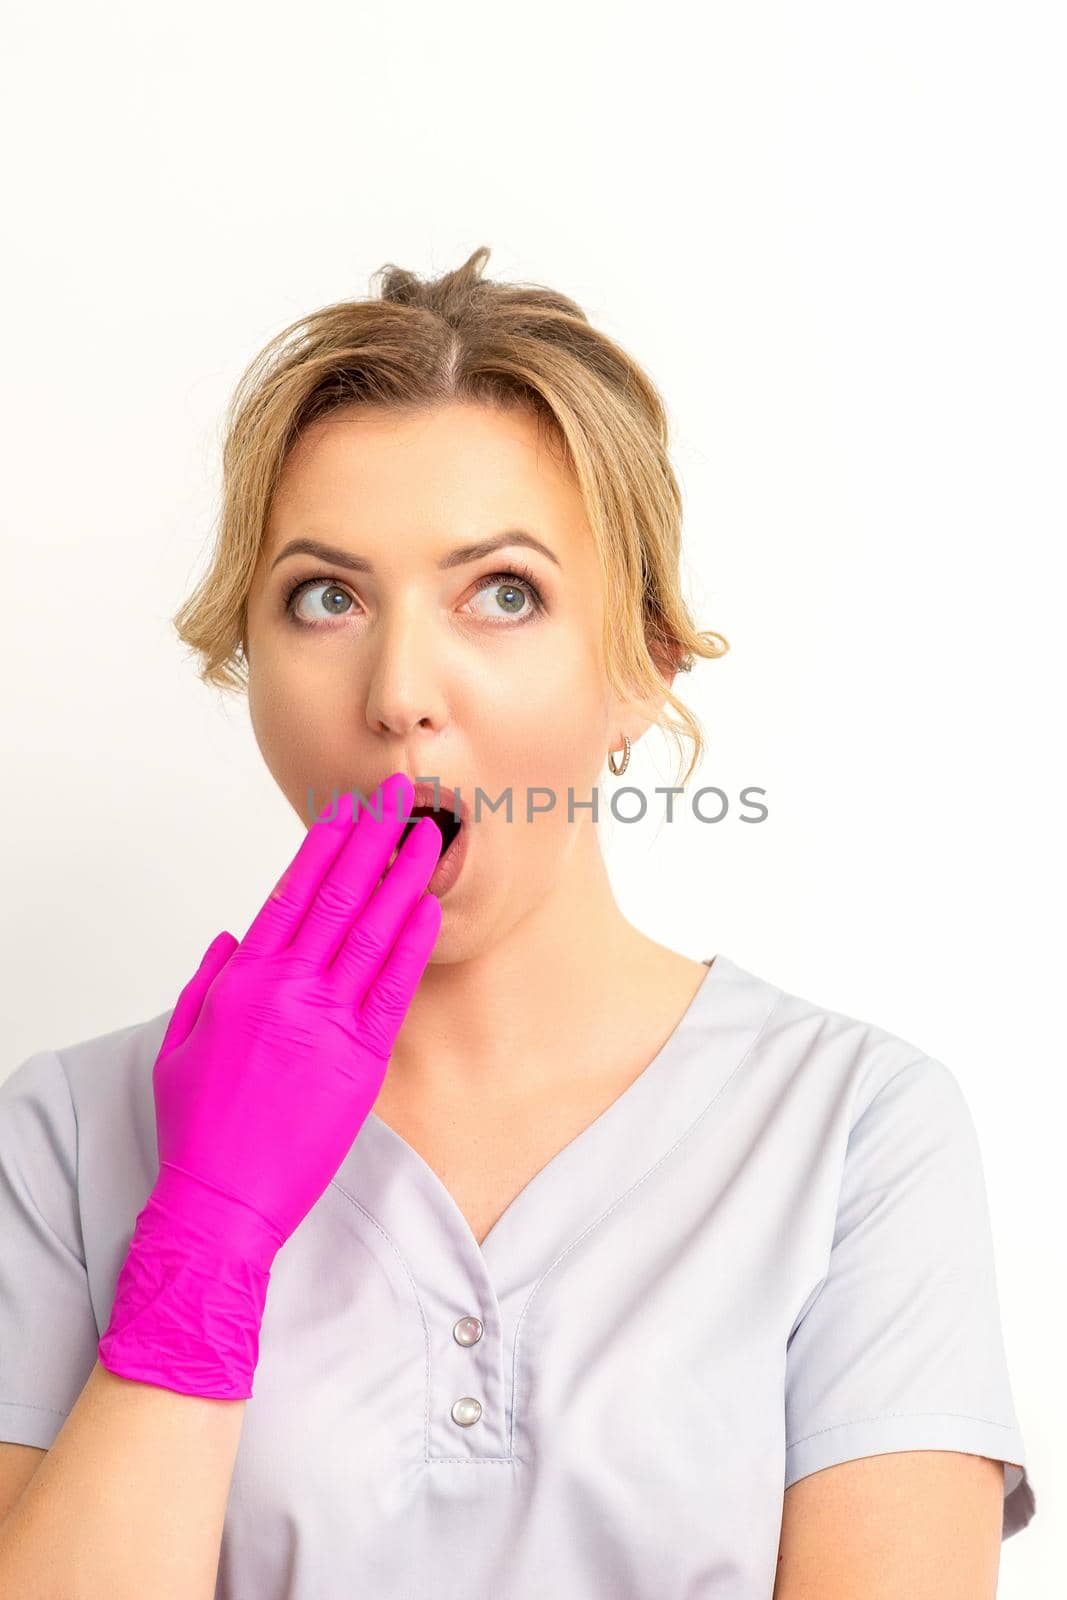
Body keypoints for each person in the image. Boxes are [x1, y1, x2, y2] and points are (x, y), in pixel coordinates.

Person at [0, 247, 1035, 1598]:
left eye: (503, 592)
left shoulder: (853, 1131)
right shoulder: (72, 1137)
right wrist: (206, 1230)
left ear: (643, 668)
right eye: (326, 597)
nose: (400, 692)